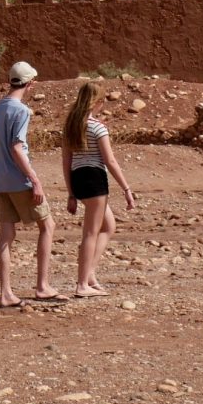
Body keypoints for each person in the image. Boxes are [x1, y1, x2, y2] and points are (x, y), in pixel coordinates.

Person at [0, 60, 60, 308]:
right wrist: (35, 180)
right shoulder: (20, 110)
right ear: (30, 83)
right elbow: (17, 147)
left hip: (1, 180)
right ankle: (42, 286)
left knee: (6, 235)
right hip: (20, 179)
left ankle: (5, 293)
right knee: (48, 225)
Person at [60, 81, 136, 297]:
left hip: (78, 179)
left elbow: (66, 162)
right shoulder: (97, 127)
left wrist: (71, 193)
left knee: (108, 226)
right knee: (90, 233)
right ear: (98, 102)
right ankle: (82, 284)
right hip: (94, 179)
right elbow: (110, 160)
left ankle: (90, 274)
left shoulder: (71, 126)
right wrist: (126, 189)